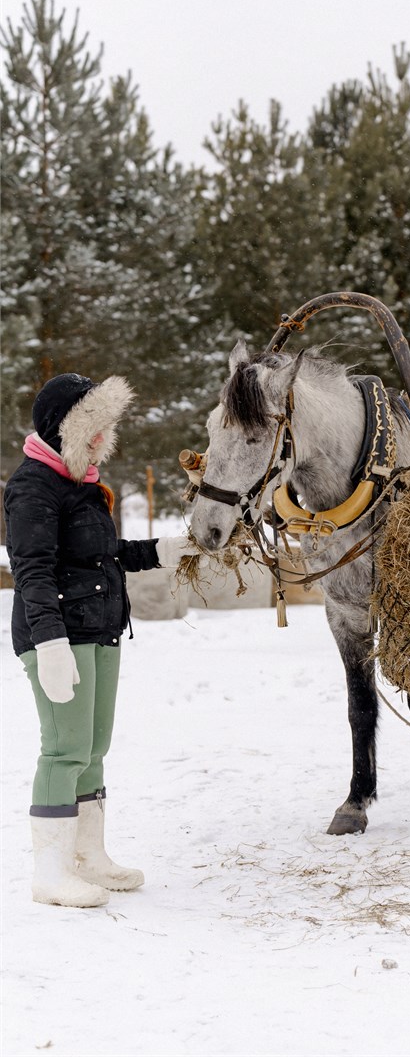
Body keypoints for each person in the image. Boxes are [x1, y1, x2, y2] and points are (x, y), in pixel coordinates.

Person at [4, 372, 198, 908]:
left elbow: (101, 555)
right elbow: (33, 570)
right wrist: (48, 643)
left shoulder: (82, 484)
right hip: (58, 636)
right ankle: (51, 873)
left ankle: (88, 857)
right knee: (64, 750)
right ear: (66, 426)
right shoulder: (33, 486)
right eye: (94, 425)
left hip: (99, 631)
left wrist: (162, 550)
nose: (102, 436)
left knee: (92, 751)